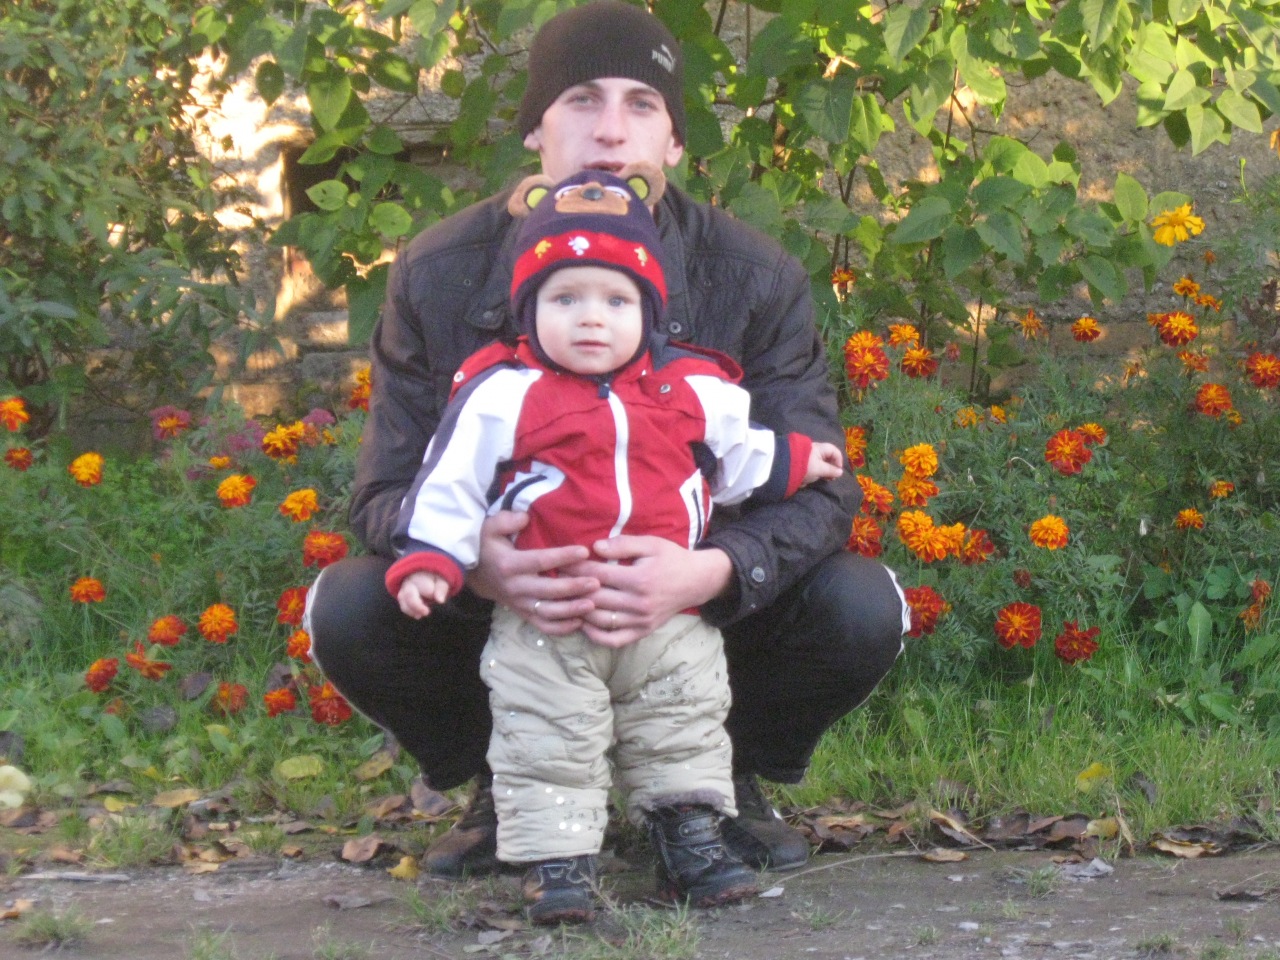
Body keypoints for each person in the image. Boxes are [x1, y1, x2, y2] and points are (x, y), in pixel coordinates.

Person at [305, 0, 908, 888]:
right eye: (582, 99)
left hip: (690, 611)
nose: (611, 131)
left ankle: (721, 782)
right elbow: (382, 491)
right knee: (350, 606)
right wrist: (474, 560)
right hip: (521, 607)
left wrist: (710, 570)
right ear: (535, 128)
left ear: (675, 140)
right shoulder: (438, 271)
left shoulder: (755, 275)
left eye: (642, 104)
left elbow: (819, 488)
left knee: (861, 605)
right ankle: (504, 783)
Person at [384, 164, 845, 922]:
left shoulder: (691, 387)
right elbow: (448, 482)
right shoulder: (502, 394)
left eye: (616, 300)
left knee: (682, 721)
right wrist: (436, 558)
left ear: (650, 311)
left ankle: (691, 843)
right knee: (546, 734)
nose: (590, 319)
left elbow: (739, 456)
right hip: (548, 614)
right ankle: (556, 863)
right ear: (529, 310)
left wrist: (798, 459)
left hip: (666, 612)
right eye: (565, 299)